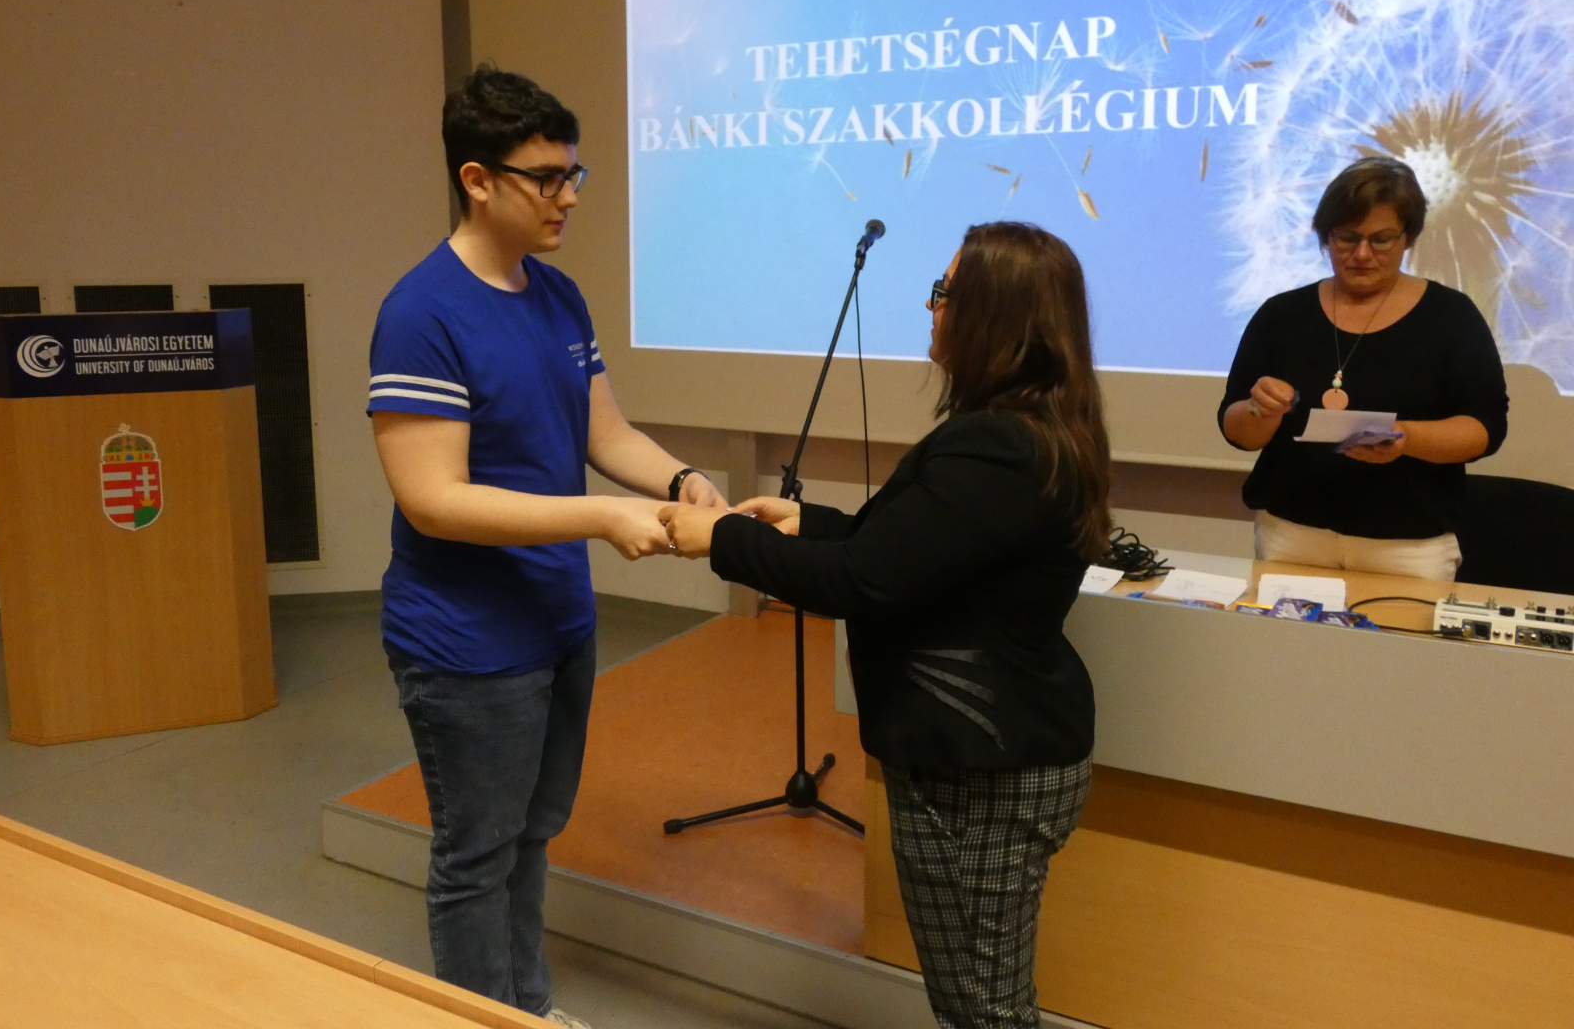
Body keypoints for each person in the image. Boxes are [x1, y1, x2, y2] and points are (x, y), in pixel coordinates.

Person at [661, 222, 1110, 1029]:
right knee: (976, 999)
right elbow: (912, 548)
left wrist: (722, 539)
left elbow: (868, 580)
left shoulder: (998, 447)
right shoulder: (1023, 431)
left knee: (983, 1010)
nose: (931, 307)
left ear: (992, 317)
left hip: (980, 772)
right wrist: (806, 522)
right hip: (983, 759)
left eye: (945, 294)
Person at [367, 65, 725, 1022]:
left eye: (575, 174)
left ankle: (525, 1007)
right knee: (476, 855)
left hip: (558, 621)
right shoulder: (422, 313)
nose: (569, 196)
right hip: (467, 641)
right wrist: (602, 519)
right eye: (547, 178)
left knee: (532, 834)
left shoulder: (559, 296)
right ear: (478, 180)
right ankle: (485, 1015)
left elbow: (606, 434)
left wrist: (683, 483)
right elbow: (435, 501)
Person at [1219, 155, 1509, 581]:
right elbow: (1236, 431)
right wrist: (1261, 409)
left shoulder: (1451, 317)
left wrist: (1406, 438)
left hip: (1408, 546)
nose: (1361, 254)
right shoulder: (1282, 315)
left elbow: (1485, 428)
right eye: (1346, 238)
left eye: (1381, 240)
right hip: (1292, 534)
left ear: (1408, 238)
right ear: (1325, 236)